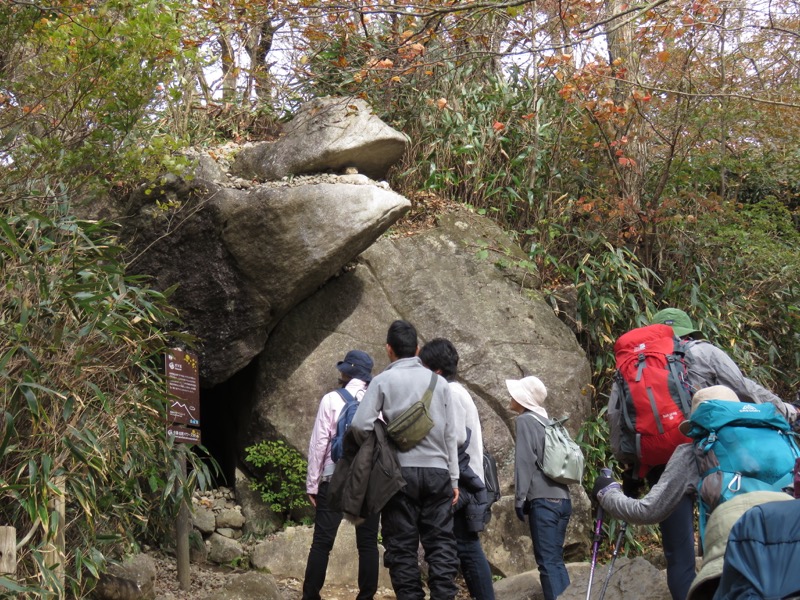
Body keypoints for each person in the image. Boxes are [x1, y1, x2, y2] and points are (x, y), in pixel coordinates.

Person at [605, 307, 798, 600]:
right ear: (690, 331)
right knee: (724, 528)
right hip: (724, 453)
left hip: (666, 459)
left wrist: (631, 465)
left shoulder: (633, 364)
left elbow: (616, 420)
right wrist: (787, 411)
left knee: (678, 556)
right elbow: (744, 388)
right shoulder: (705, 351)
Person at [593, 385, 796, 599]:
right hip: (792, 547)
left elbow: (648, 511)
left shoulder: (694, 452)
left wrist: (608, 492)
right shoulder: (781, 440)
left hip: (735, 557)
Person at [350, 320, 460, 600]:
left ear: (389, 349)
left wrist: (380, 448)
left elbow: (360, 425)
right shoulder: (439, 383)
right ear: (417, 349)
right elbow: (451, 436)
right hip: (438, 473)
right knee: (440, 543)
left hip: (398, 475)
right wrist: (454, 478)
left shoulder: (382, 381)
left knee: (401, 546)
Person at [419, 338, 495, 600]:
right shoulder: (456, 390)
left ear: (436, 370)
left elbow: (458, 438)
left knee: (466, 547)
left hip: (462, 482)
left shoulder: (450, 392)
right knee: (463, 546)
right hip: (465, 478)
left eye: (424, 365)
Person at [302, 350, 380, 600]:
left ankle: (310, 595)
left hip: (334, 477)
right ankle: (366, 596)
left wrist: (313, 484)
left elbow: (319, 445)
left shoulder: (331, 399)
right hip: (368, 480)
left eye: (343, 369)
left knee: (322, 543)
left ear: (348, 373)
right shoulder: (378, 401)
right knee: (367, 544)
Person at [507, 375, 571, 600]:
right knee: (555, 560)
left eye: (514, 394)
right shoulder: (548, 421)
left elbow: (524, 461)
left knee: (547, 563)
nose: (510, 397)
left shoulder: (525, 421)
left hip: (543, 501)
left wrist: (519, 499)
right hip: (563, 499)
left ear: (523, 400)